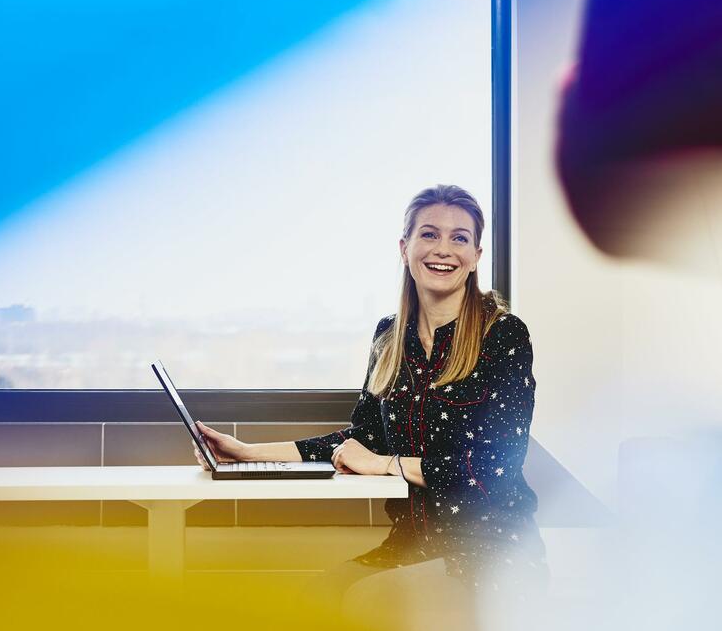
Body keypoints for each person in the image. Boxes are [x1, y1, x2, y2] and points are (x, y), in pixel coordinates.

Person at [196, 184, 547, 595]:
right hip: (409, 546)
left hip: (494, 554)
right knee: (324, 592)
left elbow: (494, 467)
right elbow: (361, 440)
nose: (443, 249)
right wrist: (245, 453)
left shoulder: (503, 334)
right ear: (405, 248)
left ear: (475, 258)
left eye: (460, 238)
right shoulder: (389, 335)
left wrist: (384, 464)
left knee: (355, 598)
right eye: (429, 234)